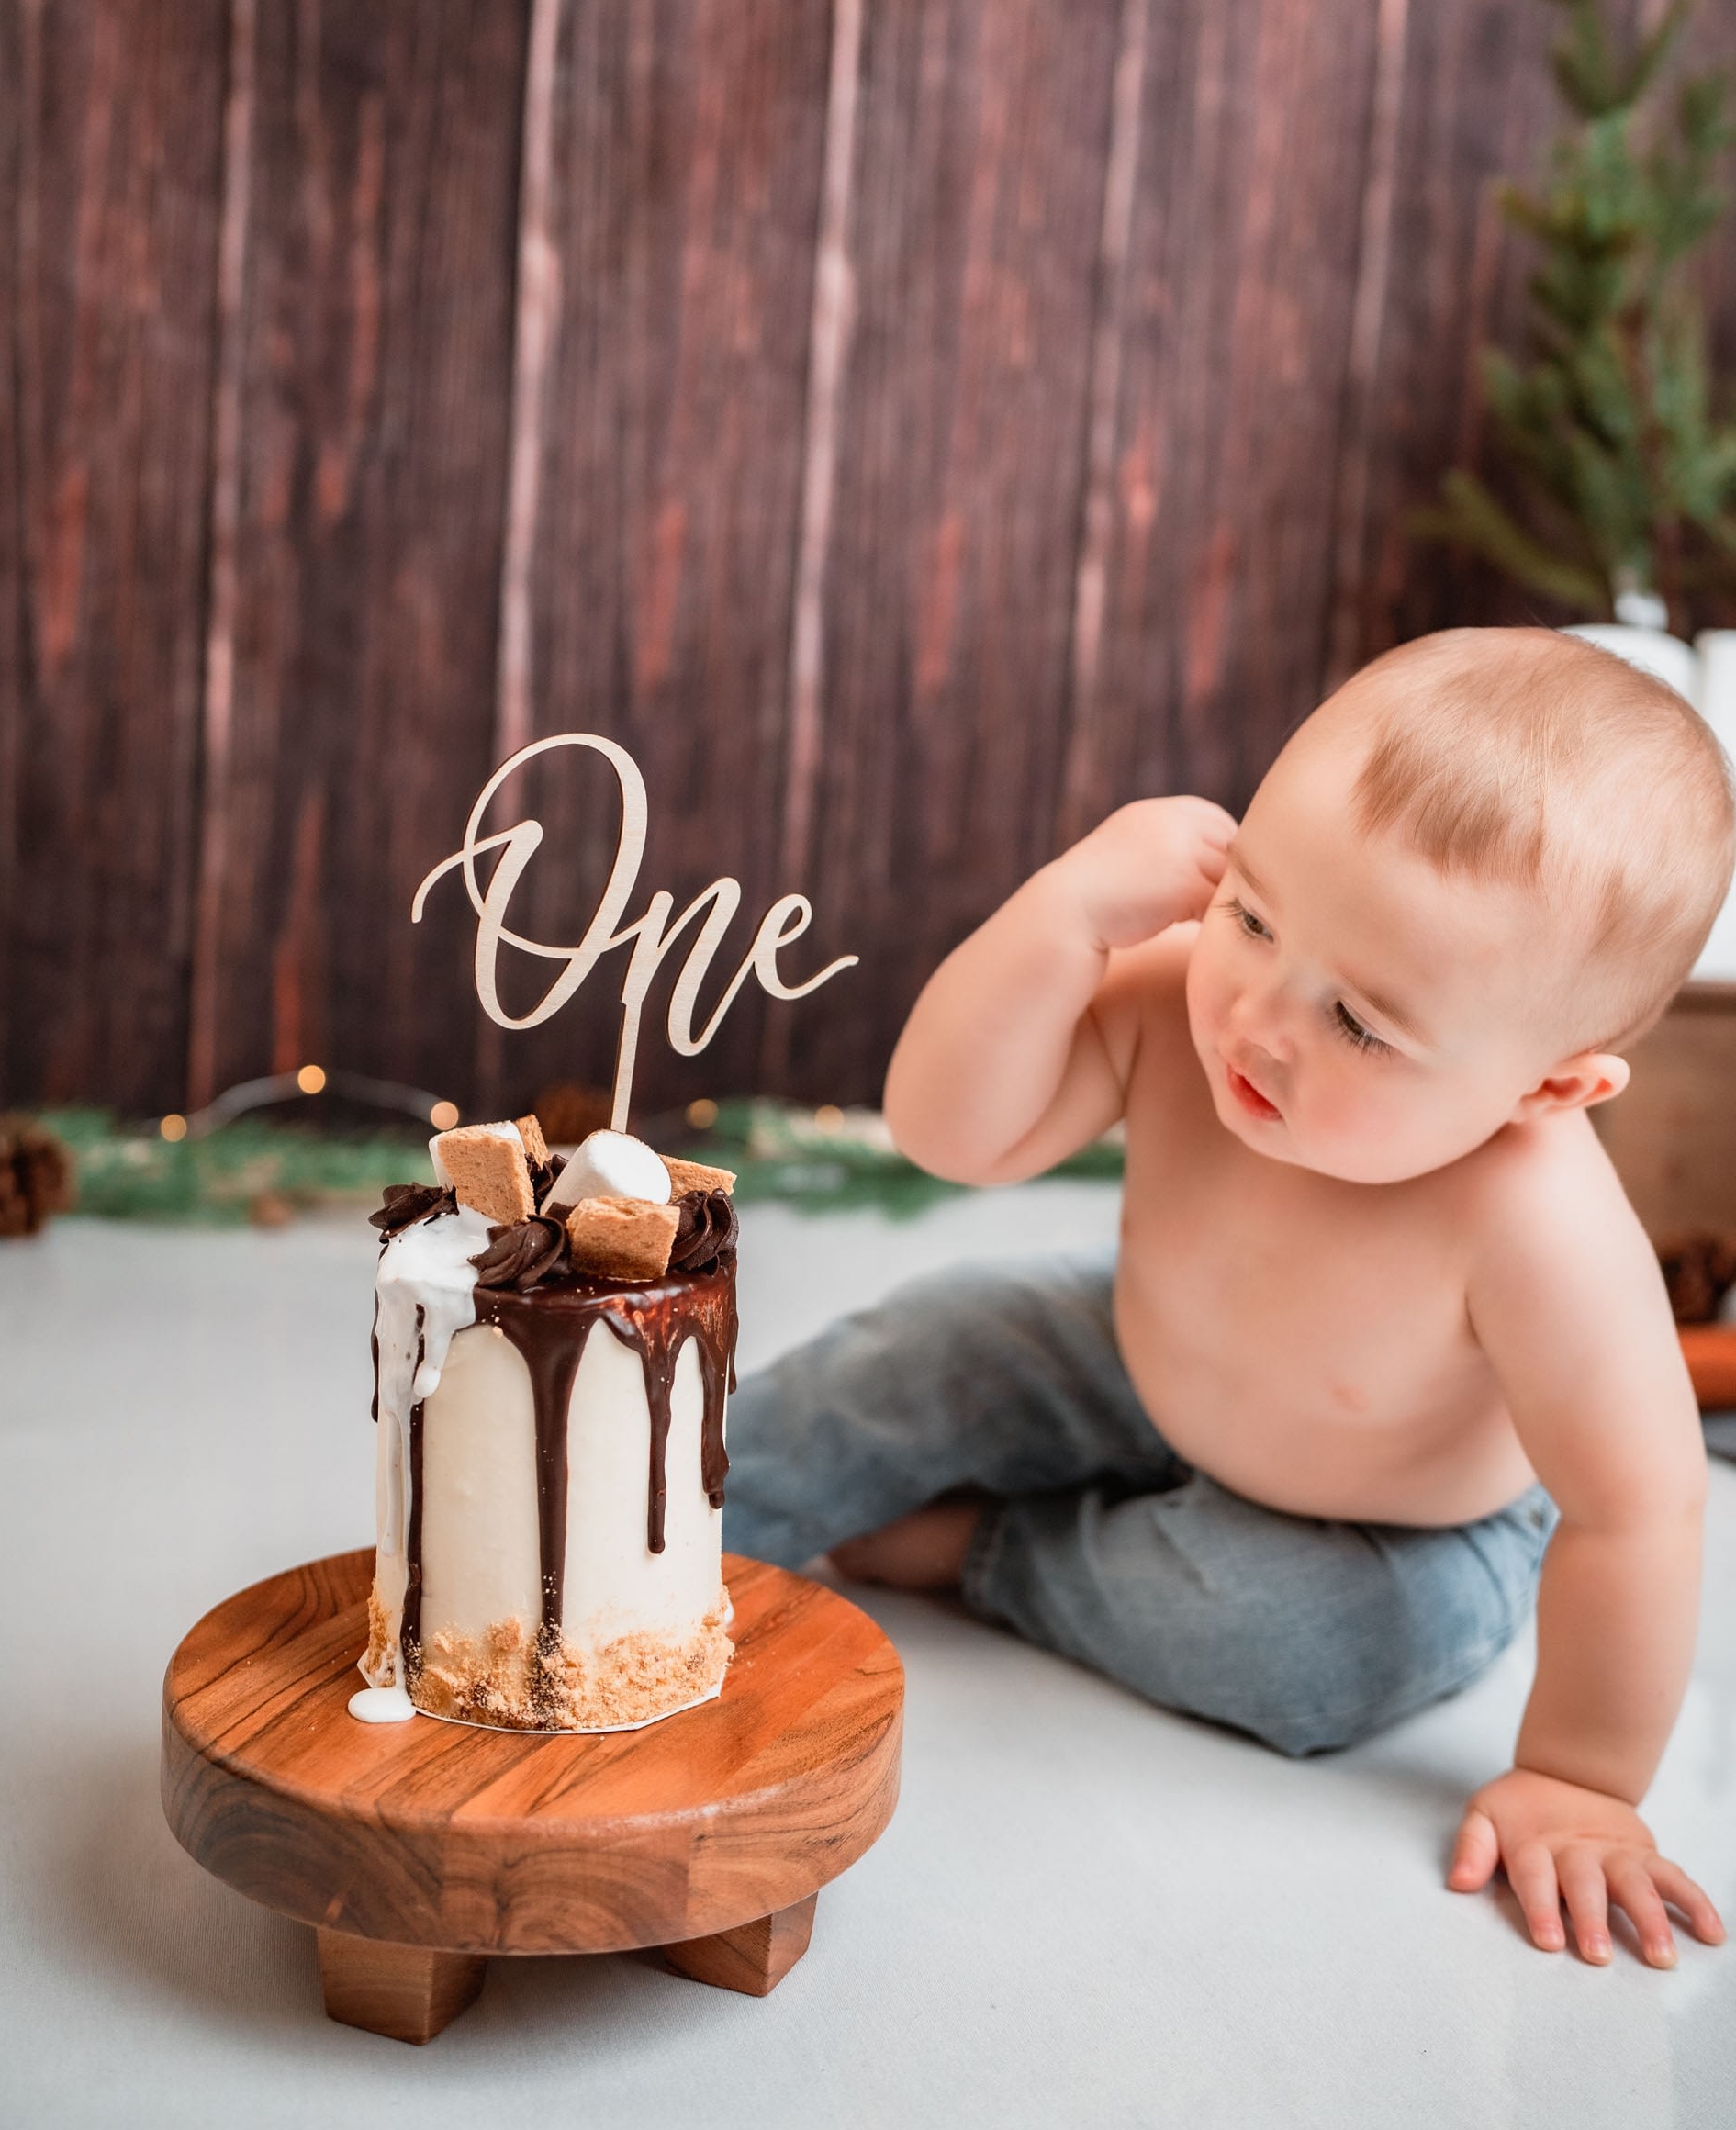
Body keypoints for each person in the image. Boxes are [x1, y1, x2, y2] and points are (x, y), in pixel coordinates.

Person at [724, 628, 1732, 1968]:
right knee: (930, 1344)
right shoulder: (1173, 1000)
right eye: (1252, 914)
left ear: (1548, 1087)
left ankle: (988, 1553)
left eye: (1361, 1024)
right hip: (1138, 1349)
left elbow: (1640, 1506)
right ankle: (656, 1523)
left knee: (1311, 1654)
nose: (1260, 1017)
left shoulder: (1536, 1220)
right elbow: (947, 1134)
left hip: (1398, 1526)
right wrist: (1066, 915)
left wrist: (1582, 1779)